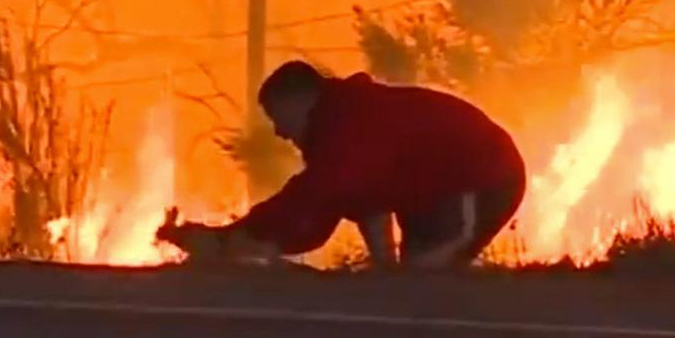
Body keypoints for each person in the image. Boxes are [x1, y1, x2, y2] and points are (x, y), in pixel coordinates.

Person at [157, 60, 526, 268]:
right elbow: (364, 200)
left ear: (299, 101)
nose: (279, 132)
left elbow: (313, 200)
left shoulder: (347, 126)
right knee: (407, 281)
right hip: (435, 187)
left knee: (424, 277)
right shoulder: (341, 123)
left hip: (482, 176)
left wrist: (234, 239)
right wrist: (384, 265)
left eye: (277, 116)